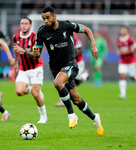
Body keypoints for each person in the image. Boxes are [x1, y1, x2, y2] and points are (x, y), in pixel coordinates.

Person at [34, 6, 104, 136]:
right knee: (76, 99)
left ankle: (71, 115)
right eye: (43, 19)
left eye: (48, 18)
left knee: (57, 83)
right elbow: (37, 53)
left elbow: (87, 29)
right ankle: (95, 118)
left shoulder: (66, 25)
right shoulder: (42, 31)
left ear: (55, 17)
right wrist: (36, 52)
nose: (45, 21)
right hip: (56, 68)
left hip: (70, 64)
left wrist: (93, 46)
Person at [12, 17, 47, 123]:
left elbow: (36, 56)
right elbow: (16, 50)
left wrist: (23, 50)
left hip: (36, 68)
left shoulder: (35, 38)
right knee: (19, 92)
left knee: (36, 95)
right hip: (23, 68)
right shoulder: (16, 37)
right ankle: (34, 89)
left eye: (26, 23)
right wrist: (15, 62)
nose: (23, 25)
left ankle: (43, 117)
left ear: (30, 25)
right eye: (22, 23)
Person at [55, 33, 89, 107]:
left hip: (78, 62)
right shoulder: (58, 36)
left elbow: (80, 50)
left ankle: (85, 75)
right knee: (65, 80)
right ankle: (63, 101)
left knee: (77, 82)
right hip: (67, 63)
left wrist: (71, 57)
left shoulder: (73, 36)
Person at [117, 25, 136, 99]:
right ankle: (123, 94)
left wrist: (126, 52)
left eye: (124, 30)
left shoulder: (130, 39)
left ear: (127, 31)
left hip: (131, 61)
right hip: (122, 61)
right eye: (122, 29)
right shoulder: (119, 40)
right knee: (122, 76)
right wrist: (119, 52)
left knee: (132, 77)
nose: (122, 31)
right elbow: (119, 49)